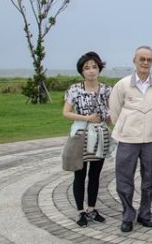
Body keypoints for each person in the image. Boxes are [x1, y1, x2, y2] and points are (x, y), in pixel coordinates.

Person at [109, 46, 152, 233]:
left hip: (150, 140)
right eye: (142, 59)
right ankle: (127, 216)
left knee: (149, 180)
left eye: (149, 60)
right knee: (124, 180)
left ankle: (145, 214)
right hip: (127, 140)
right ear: (135, 61)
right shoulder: (123, 84)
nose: (145, 63)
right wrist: (126, 127)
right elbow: (115, 111)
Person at [62, 51, 112, 227]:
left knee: (95, 175)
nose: (91, 71)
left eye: (94, 67)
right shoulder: (75, 89)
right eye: (87, 68)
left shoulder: (107, 89)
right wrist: (87, 118)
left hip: (100, 135)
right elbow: (66, 112)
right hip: (81, 136)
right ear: (81, 71)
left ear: (99, 69)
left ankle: (92, 208)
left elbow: (110, 113)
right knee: (79, 174)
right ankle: (80, 211)